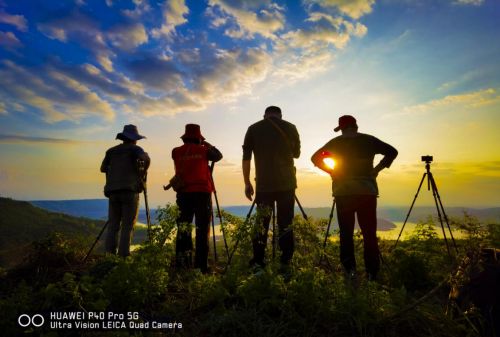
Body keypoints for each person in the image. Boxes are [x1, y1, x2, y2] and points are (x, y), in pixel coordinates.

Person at [311, 115, 398, 281]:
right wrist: (378, 169)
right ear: (356, 126)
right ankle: (372, 273)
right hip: (367, 192)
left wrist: (331, 171)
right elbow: (392, 152)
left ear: (341, 128)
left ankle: (349, 272)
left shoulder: (335, 143)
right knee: (369, 233)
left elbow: (315, 158)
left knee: (346, 234)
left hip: (344, 193)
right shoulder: (369, 141)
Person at [242, 106, 301, 271]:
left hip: (263, 185)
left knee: (261, 223)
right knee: (286, 223)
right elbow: (296, 154)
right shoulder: (291, 127)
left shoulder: (253, 128)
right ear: (281, 116)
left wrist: (247, 183)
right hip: (287, 184)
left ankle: (258, 261)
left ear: (264, 116)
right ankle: (285, 262)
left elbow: (246, 159)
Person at [172, 124, 223, 273]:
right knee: (202, 230)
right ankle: (201, 267)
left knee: (183, 229)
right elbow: (218, 156)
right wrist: (206, 144)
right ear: (199, 138)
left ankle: (183, 265)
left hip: (183, 193)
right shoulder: (204, 150)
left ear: (185, 137)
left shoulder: (175, 151)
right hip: (202, 193)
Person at [100, 124, 150, 257]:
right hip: (129, 191)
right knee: (127, 226)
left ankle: (109, 256)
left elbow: (103, 168)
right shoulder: (136, 149)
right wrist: (143, 171)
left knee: (113, 225)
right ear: (134, 138)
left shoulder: (111, 151)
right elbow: (146, 159)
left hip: (113, 191)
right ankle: (123, 257)